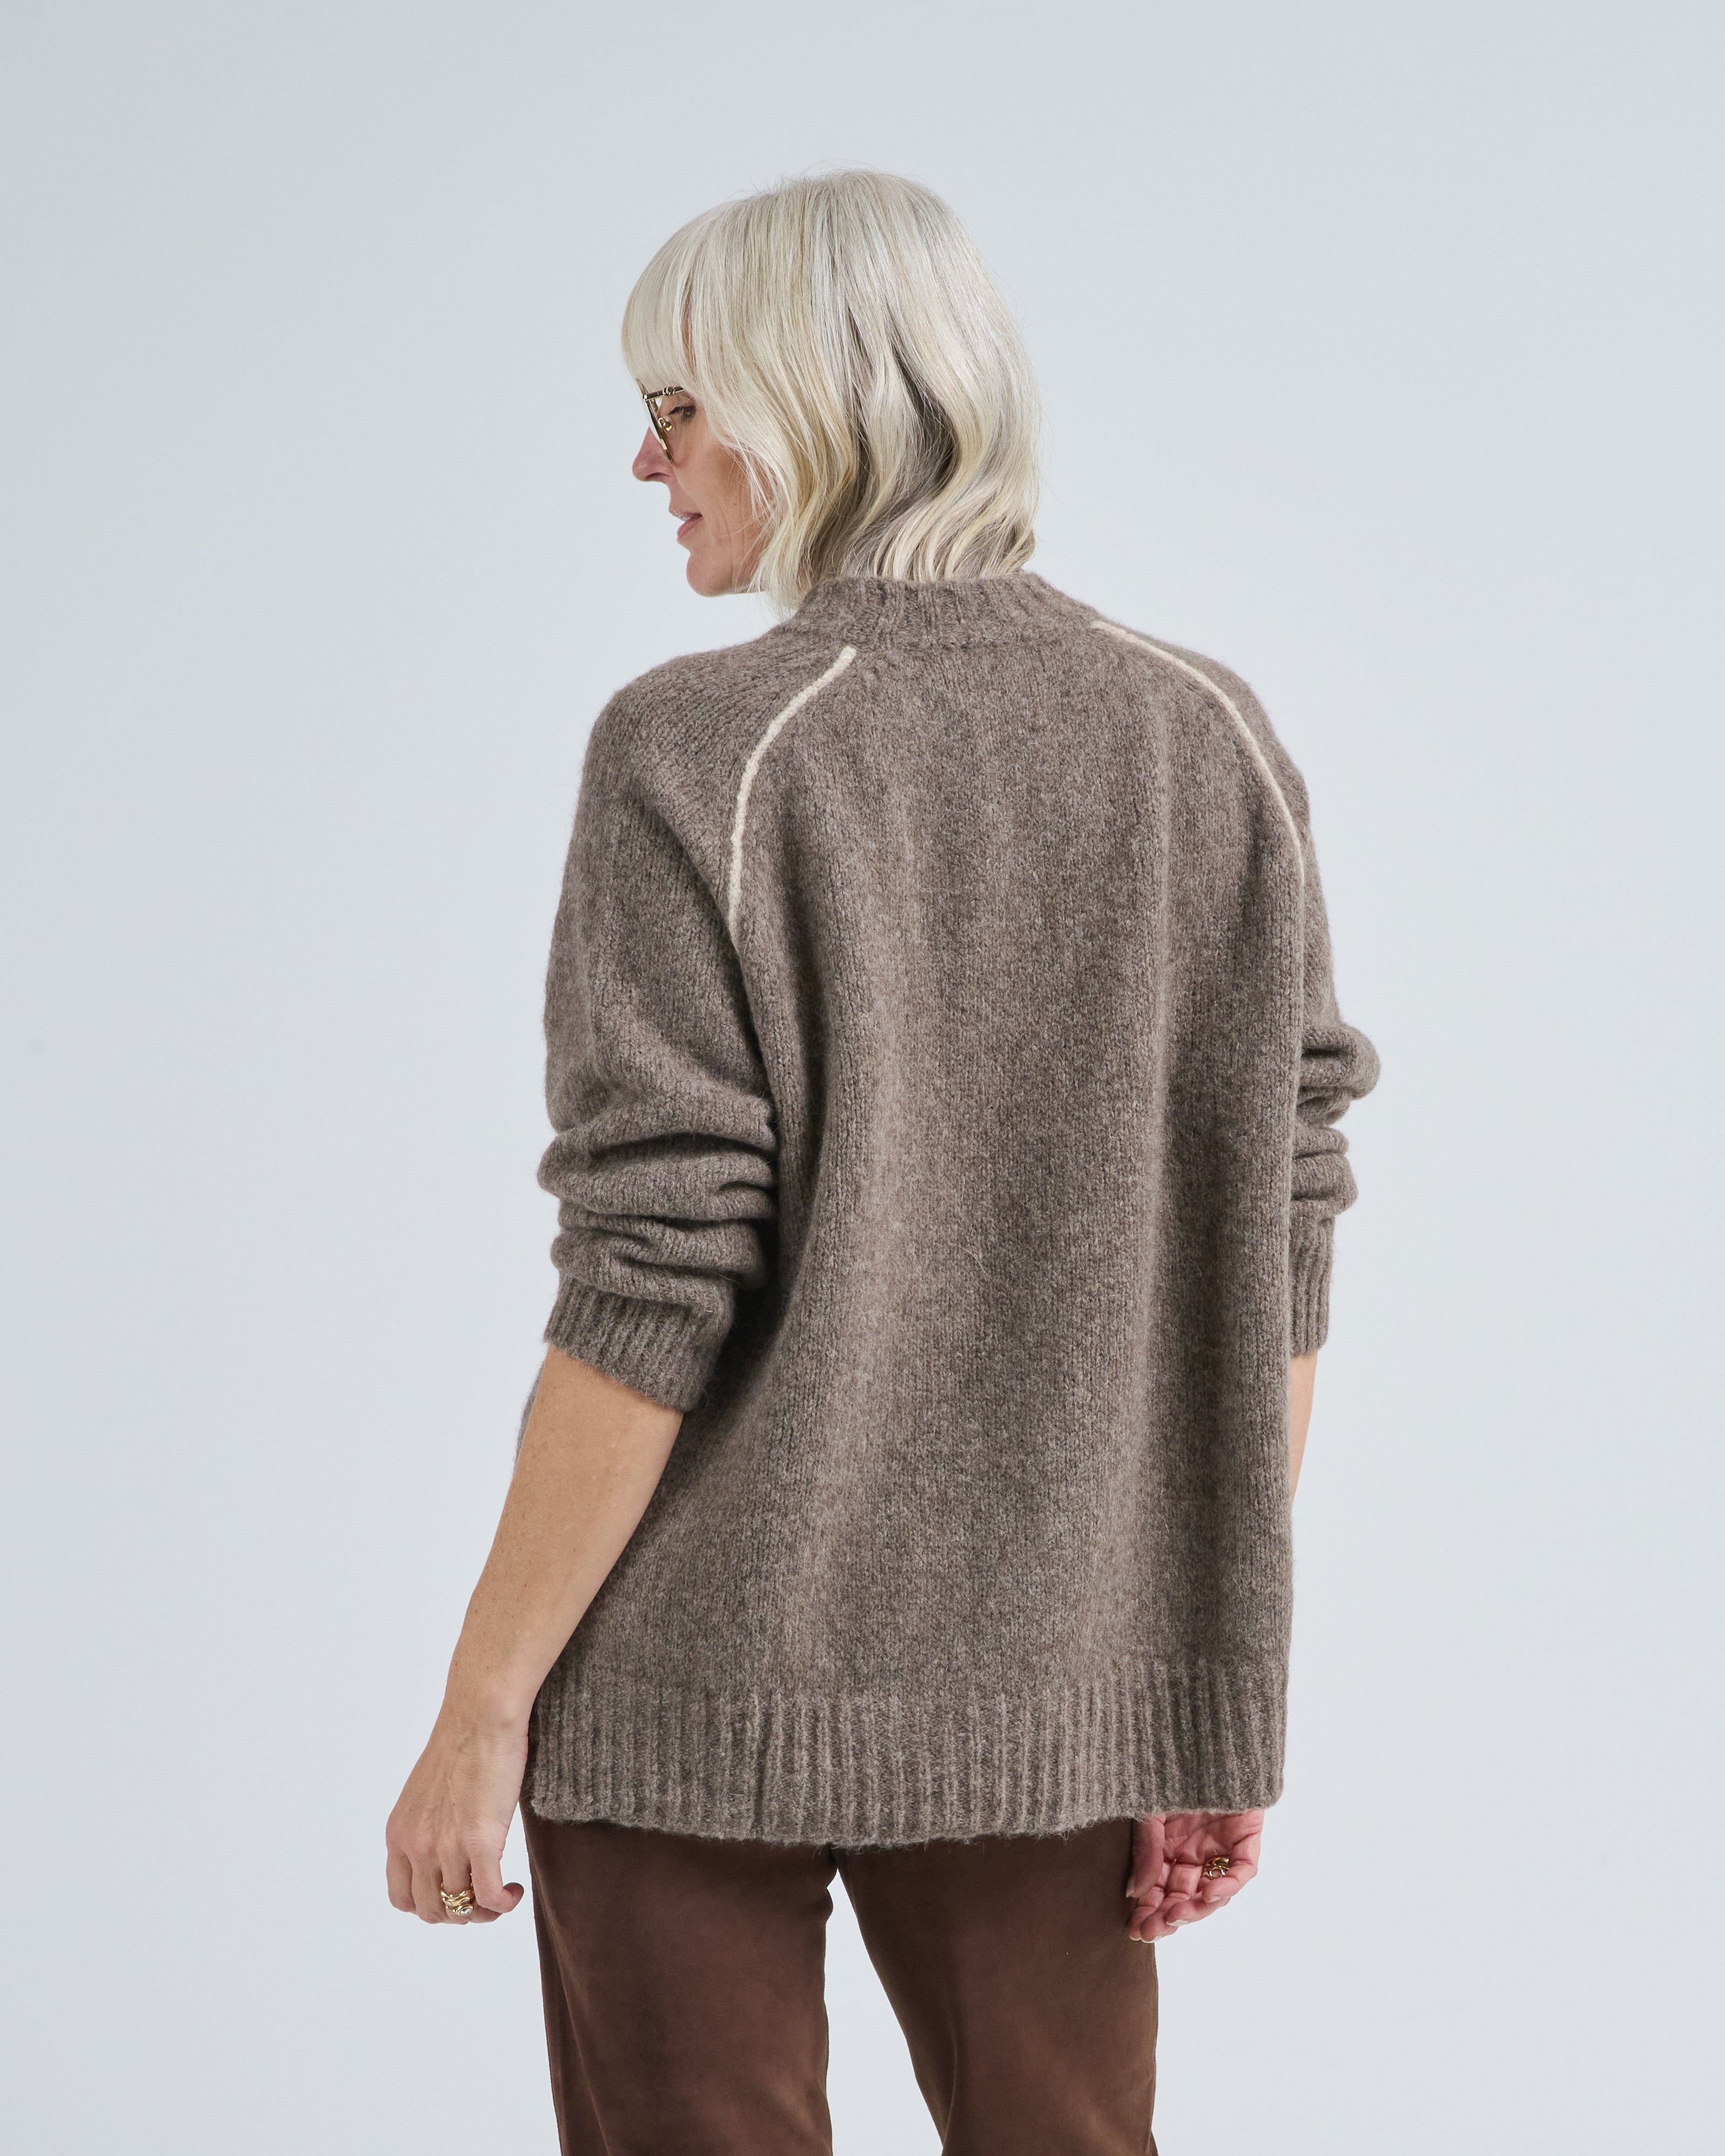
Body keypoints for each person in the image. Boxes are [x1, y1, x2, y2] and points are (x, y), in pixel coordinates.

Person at [385, 169, 1378, 2155]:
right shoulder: (1203, 732)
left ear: (802, 407)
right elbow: (1275, 1243)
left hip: (682, 1694)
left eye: (678, 410)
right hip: (1058, 1694)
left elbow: (653, 1275)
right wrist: (1196, 1678)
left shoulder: (705, 746)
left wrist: (479, 1711)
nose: (647, 462)